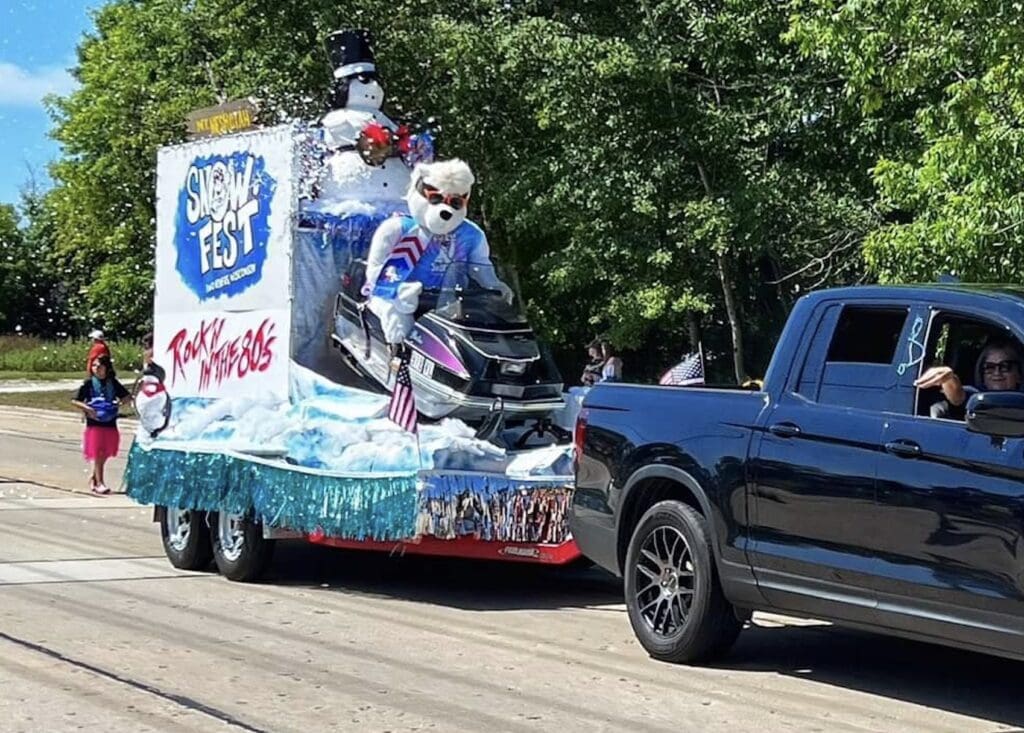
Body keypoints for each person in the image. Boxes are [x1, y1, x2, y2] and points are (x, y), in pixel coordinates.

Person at [915, 338, 1022, 420]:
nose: (996, 373)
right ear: (982, 373)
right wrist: (949, 378)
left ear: (1019, 374)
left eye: (1005, 366)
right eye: (989, 367)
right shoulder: (976, 396)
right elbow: (958, 398)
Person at [72, 354, 130, 495]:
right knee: (98, 452)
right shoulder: (89, 384)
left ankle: (94, 477)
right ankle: (100, 482)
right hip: (94, 422)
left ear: (107, 368)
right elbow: (75, 400)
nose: (97, 369)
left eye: (100, 366)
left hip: (110, 421)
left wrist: (118, 403)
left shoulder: (113, 383)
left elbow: (127, 397)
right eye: (94, 366)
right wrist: (88, 409)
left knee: (105, 452)